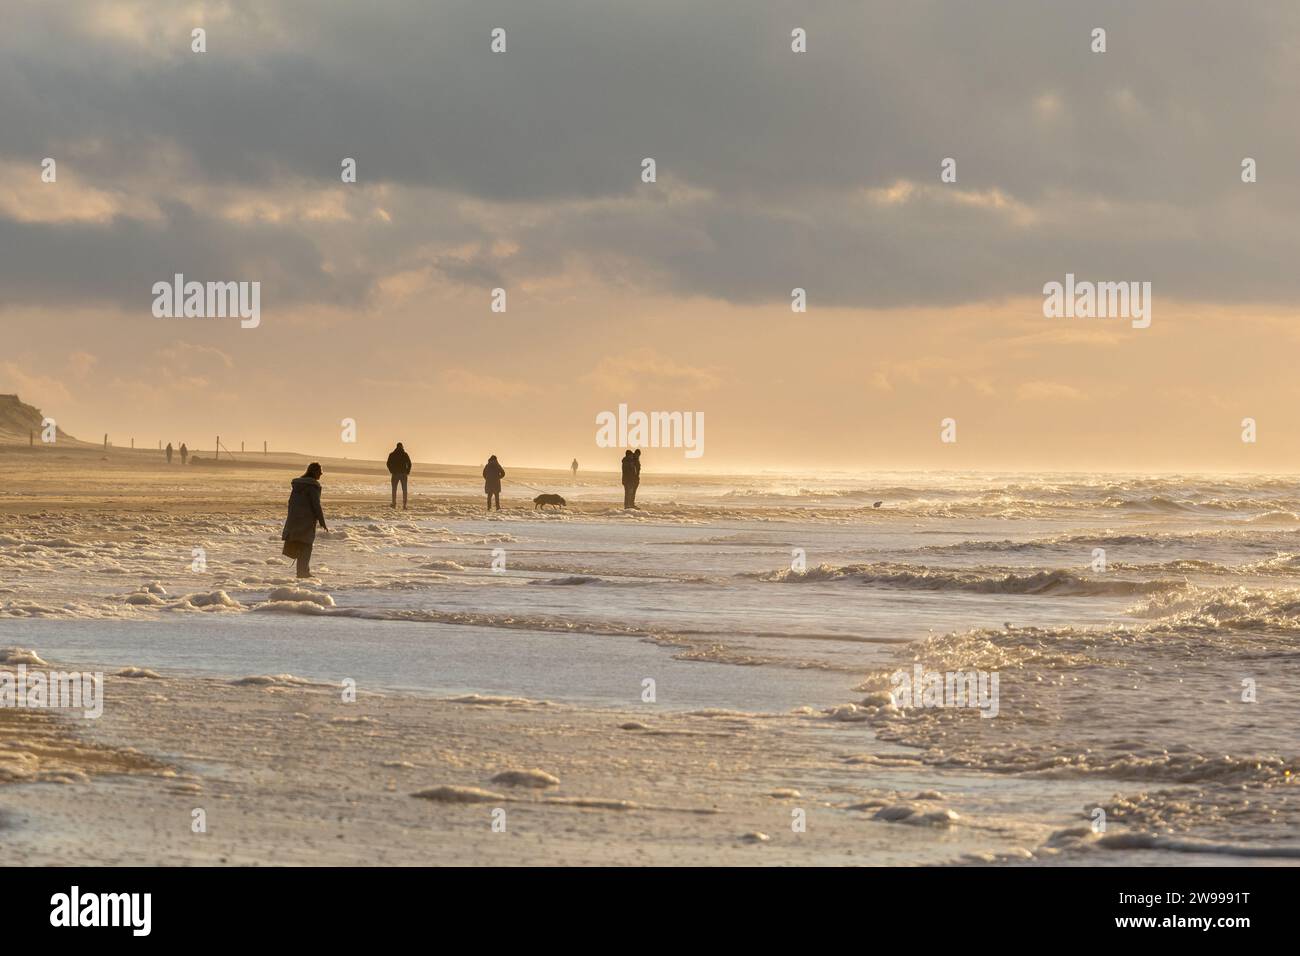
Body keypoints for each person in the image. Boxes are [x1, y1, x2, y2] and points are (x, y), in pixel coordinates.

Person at [281, 463, 328, 578]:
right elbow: (316, 505)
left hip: (294, 520)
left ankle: (303, 571)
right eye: (320, 471)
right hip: (306, 521)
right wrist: (322, 521)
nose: (321, 473)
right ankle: (303, 573)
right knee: (306, 546)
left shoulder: (298, 485)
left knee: (299, 545)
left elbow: (291, 503)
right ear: (314, 472)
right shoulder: (313, 486)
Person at [386, 442, 412, 509]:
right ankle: (404, 505)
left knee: (394, 489)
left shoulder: (392, 454)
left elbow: (388, 464)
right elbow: (409, 463)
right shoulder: (404, 454)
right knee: (404, 490)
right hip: (403, 474)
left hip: (395, 474)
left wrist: (391, 470)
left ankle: (394, 504)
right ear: (402, 447)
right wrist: (407, 471)